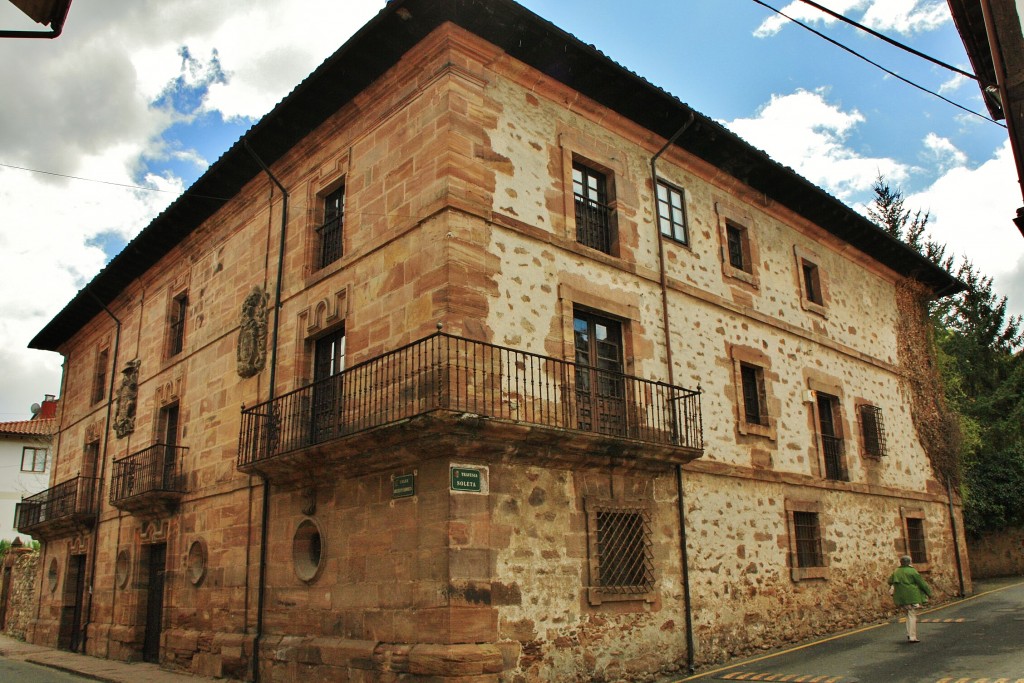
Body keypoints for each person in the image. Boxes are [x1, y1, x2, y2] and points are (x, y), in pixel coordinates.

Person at [888, 555, 932, 643]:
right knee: (912, 615)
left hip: (901, 597)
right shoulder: (912, 571)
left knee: (907, 615)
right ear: (910, 562)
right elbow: (921, 583)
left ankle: (909, 634)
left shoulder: (897, 571)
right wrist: (929, 593)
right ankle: (912, 636)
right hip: (912, 596)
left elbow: (890, 581)